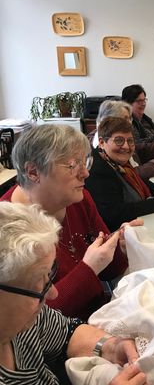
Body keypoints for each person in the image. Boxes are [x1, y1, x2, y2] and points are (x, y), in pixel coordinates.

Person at [0, 201, 148, 385]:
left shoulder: (23, 320)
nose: (53, 292)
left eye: (49, 275)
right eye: (38, 281)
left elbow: (66, 334)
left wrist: (111, 347)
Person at [1, 124, 142, 320]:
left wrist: (119, 245)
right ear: (33, 172)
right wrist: (90, 267)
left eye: (85, 162)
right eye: (73, 165)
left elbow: (110, 271)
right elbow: (35, 320)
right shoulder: (8, 229)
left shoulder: (79, 199)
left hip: (98, 317)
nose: (85, 173)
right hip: (58, 344)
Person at [85, 117, 154, 232]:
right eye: (119, 140)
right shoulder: (97, 170)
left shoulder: (116, 162)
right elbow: (113, 215)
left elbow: (136, 179)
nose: (126, 146)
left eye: (130, 141)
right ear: (101, 142)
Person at [92, 100, 154, 181]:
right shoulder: (101, 147)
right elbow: (123, 175)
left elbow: (138, 149)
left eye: (129, 118)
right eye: (124, 118)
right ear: (109, 120)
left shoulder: (121, 135)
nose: (130, 123)